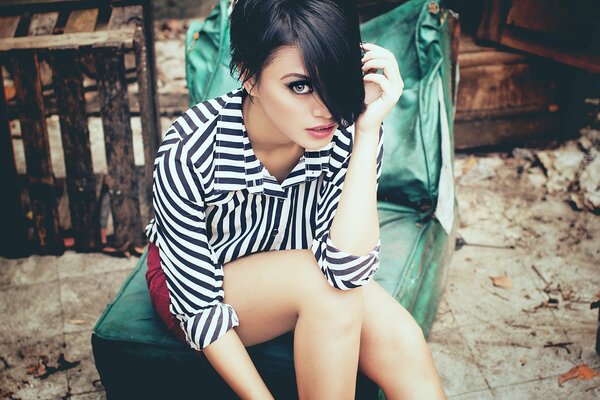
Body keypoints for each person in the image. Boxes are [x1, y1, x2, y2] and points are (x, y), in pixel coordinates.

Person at [145, 0, 447, 398]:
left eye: (335, 77)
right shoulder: (189, 150)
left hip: (299, 266)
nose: (324, 108)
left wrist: (368, 132)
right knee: (323, 291)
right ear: (249, 77)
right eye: (299, 85)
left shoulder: (348, 128)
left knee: (405, 343)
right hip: (197, 283)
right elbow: (199, 309)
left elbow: (347, 269)